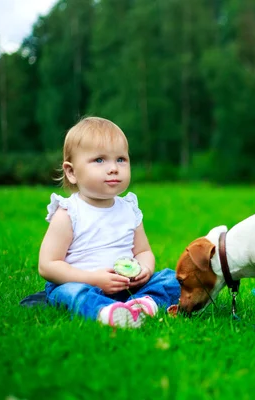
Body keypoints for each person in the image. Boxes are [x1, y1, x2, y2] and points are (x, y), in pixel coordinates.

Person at [38, 116, 180, 328]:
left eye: (121, 159)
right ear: (71, 171)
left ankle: (141, 303)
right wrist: (93, 279)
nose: (113, 168)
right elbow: (47, 266)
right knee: (68, 292)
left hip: (127, 287)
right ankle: (104, 311)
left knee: (172, 278)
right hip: (84, 284)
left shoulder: (129, 209)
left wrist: (145, 270)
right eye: (99, 160)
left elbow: (143, 251)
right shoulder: (69, 213)